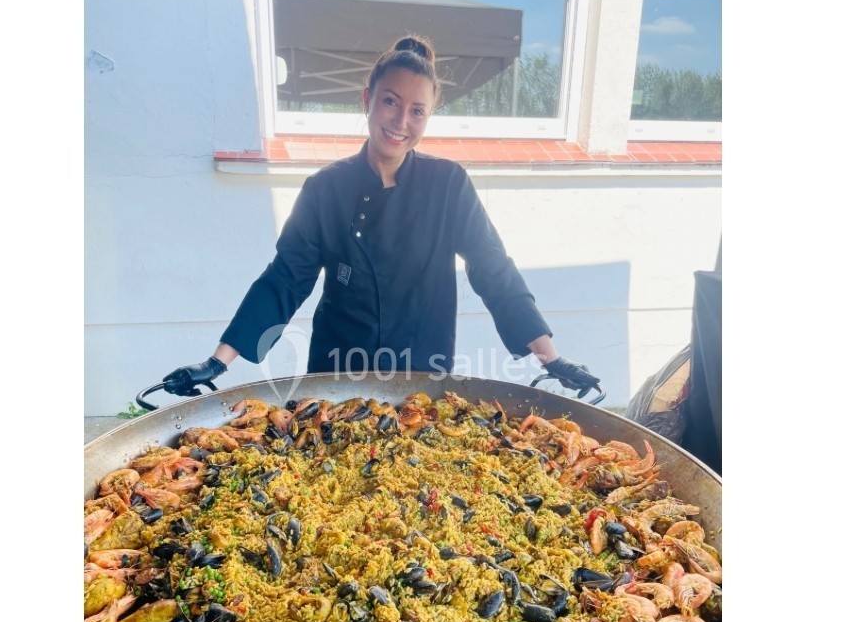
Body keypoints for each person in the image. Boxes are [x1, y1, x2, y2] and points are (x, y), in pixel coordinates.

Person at [163, 35, 601, 399]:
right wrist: (217, 363)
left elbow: (493, 268)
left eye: (417, 110)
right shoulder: (325, 188)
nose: (401, 121)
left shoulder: (448, 184)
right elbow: (284, 280)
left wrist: (552, 357)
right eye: (391, 102)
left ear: (428, 116)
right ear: (367, 99)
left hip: (420, 374)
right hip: (335, 373)